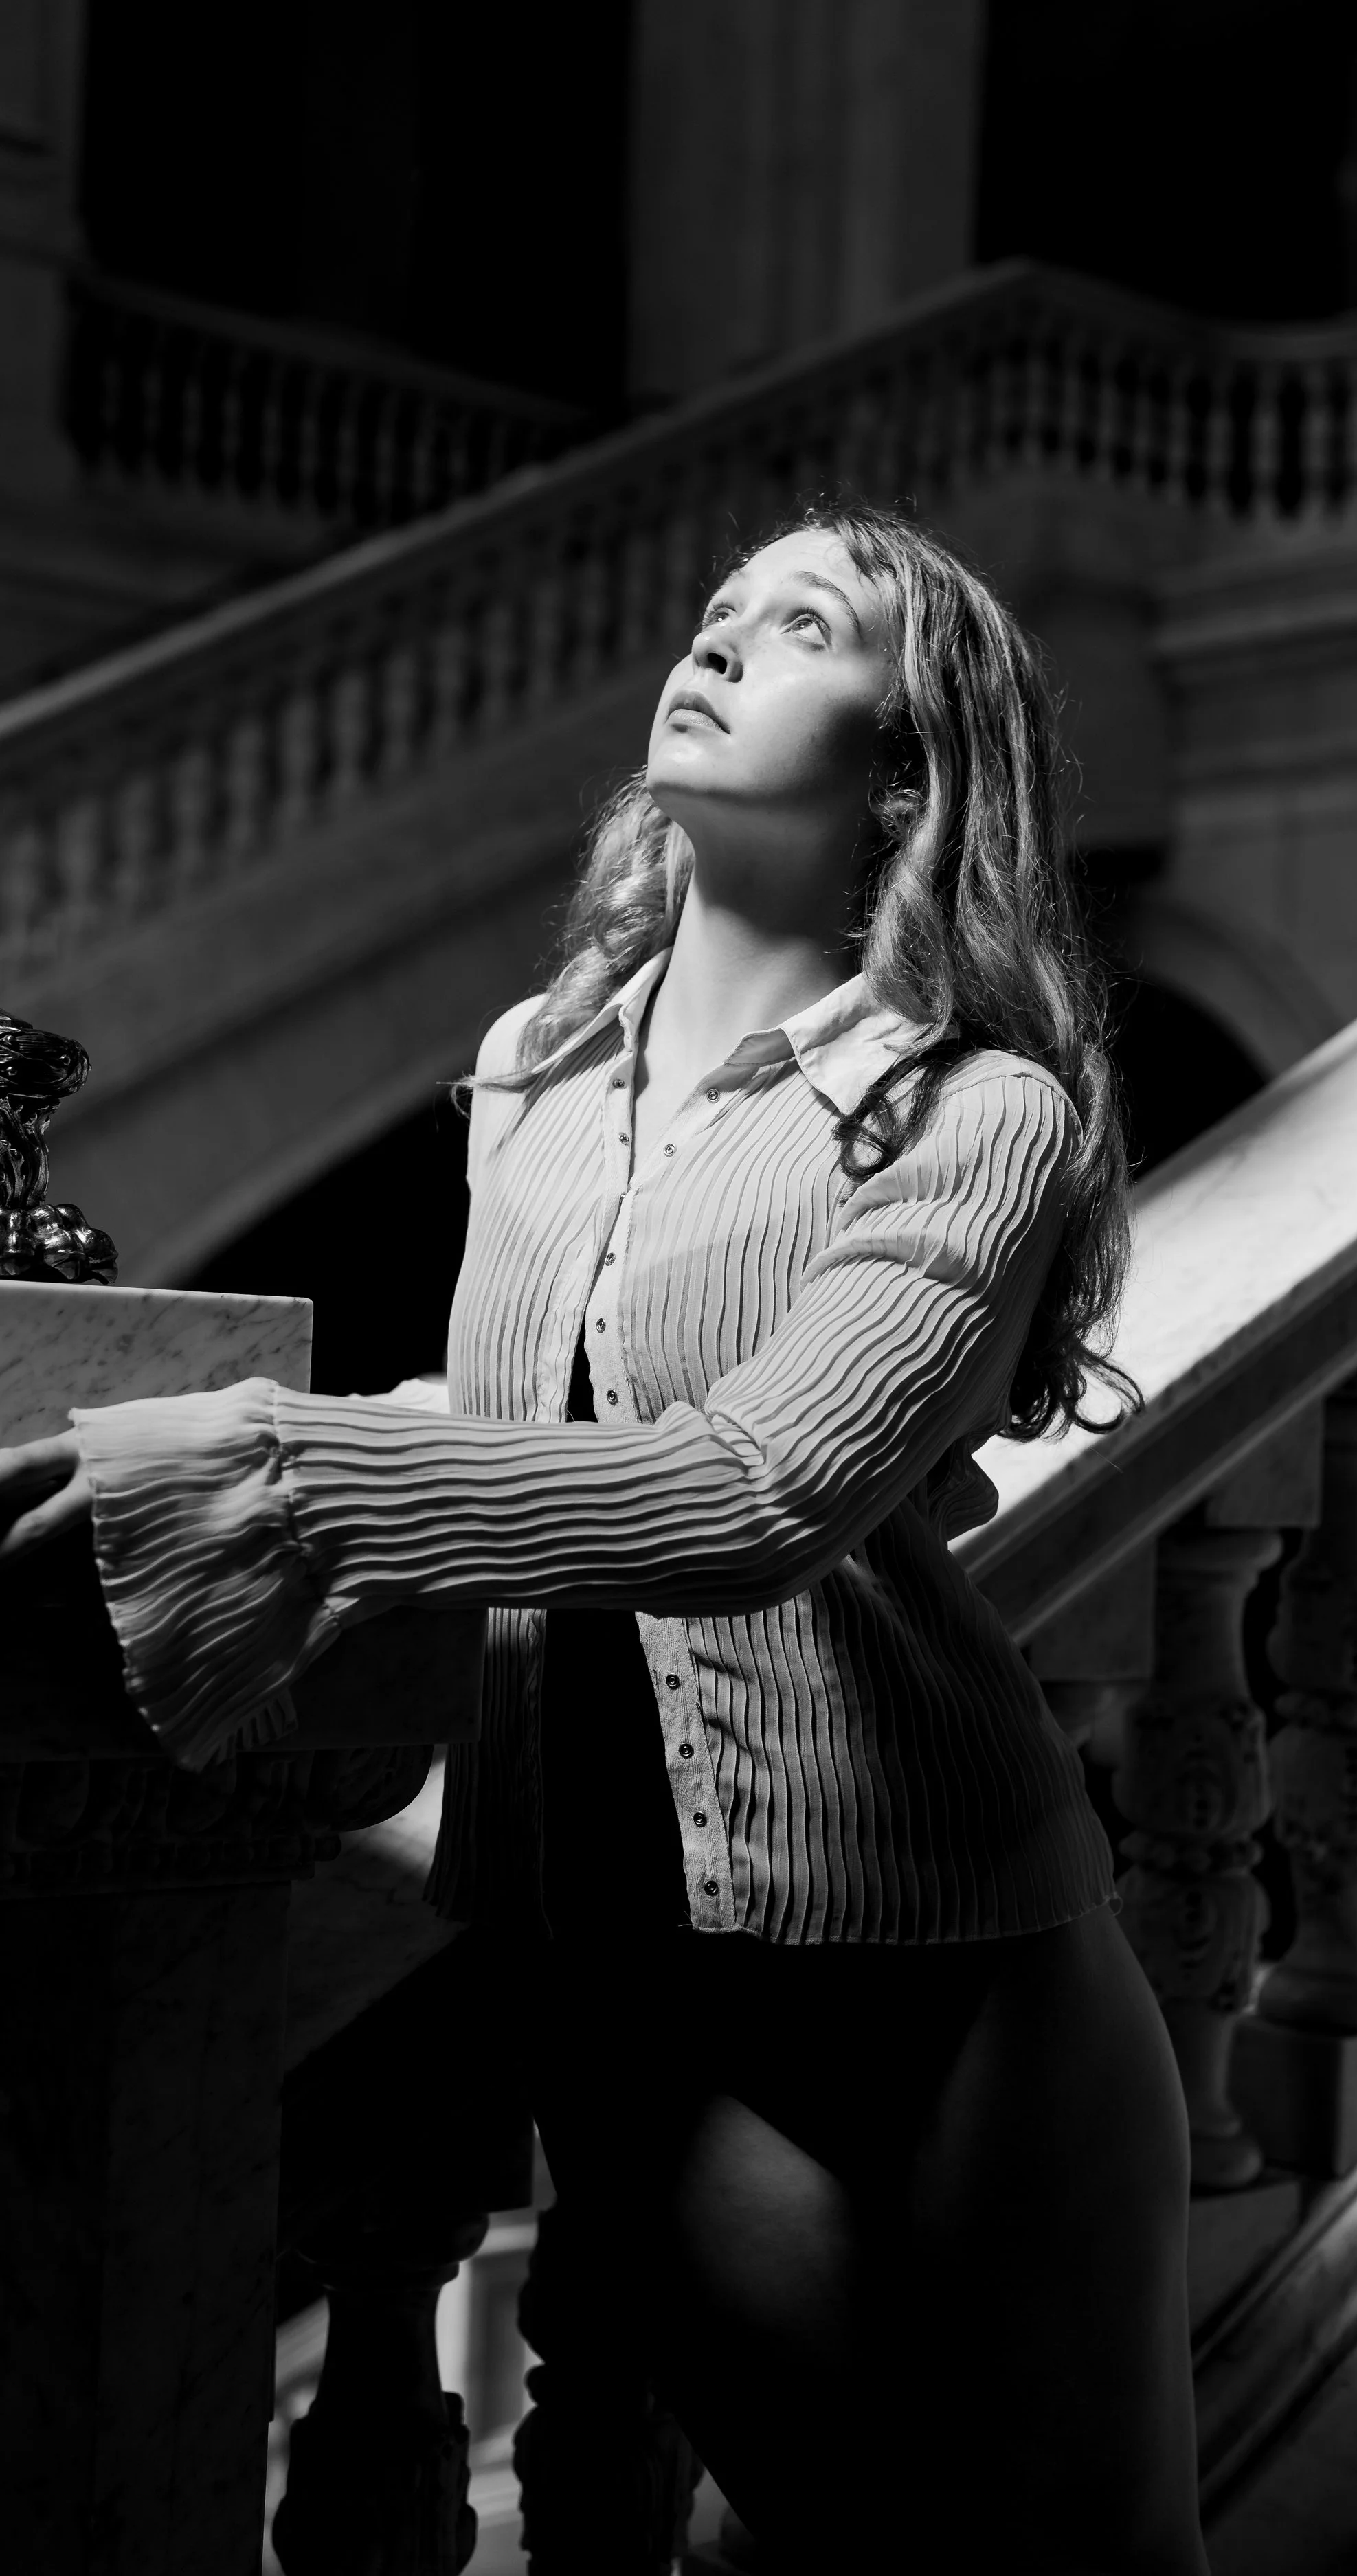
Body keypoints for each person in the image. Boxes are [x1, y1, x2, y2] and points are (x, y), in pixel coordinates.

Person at [0, 502, 1208, 2575]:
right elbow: (525, 1426)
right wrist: (334, 1448)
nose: (720, 642)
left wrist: (279, 1470)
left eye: (801, 623)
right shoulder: (536, 1073)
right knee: (847, 2532)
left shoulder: (977, 1106)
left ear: (908, 766)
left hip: (957, 1963)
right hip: (618, 1955)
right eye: (715, 608)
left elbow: (753, 1493)